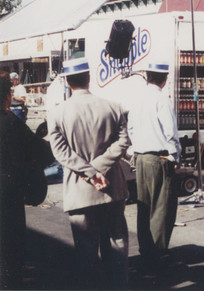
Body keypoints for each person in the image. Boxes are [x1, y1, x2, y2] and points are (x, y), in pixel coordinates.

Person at [47, 58, 130, 289]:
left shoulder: (57, 113)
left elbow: (60, 152)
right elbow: (124, 142)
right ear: (89, 77)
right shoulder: (113, 107)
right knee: (117, 245)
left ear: (67, 81)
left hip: (80, 191)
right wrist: (101, 168)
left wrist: (90, 173)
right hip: (112, 187)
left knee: (86, 254)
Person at [127, 61, 182, 270]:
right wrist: (174, 155)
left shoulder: (138, 99)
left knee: (144, 205)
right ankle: (158, 252)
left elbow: (130, 127)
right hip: (159, 157)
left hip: (141, 157)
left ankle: (146, 250)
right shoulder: (161, 100)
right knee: (162, 206)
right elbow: (170, 132)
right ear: (164, 78)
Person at [0, 72, 52, 289]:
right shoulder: (9, 122)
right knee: (9, 255)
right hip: (6, 199)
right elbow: (33, 154)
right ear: (7, 96)